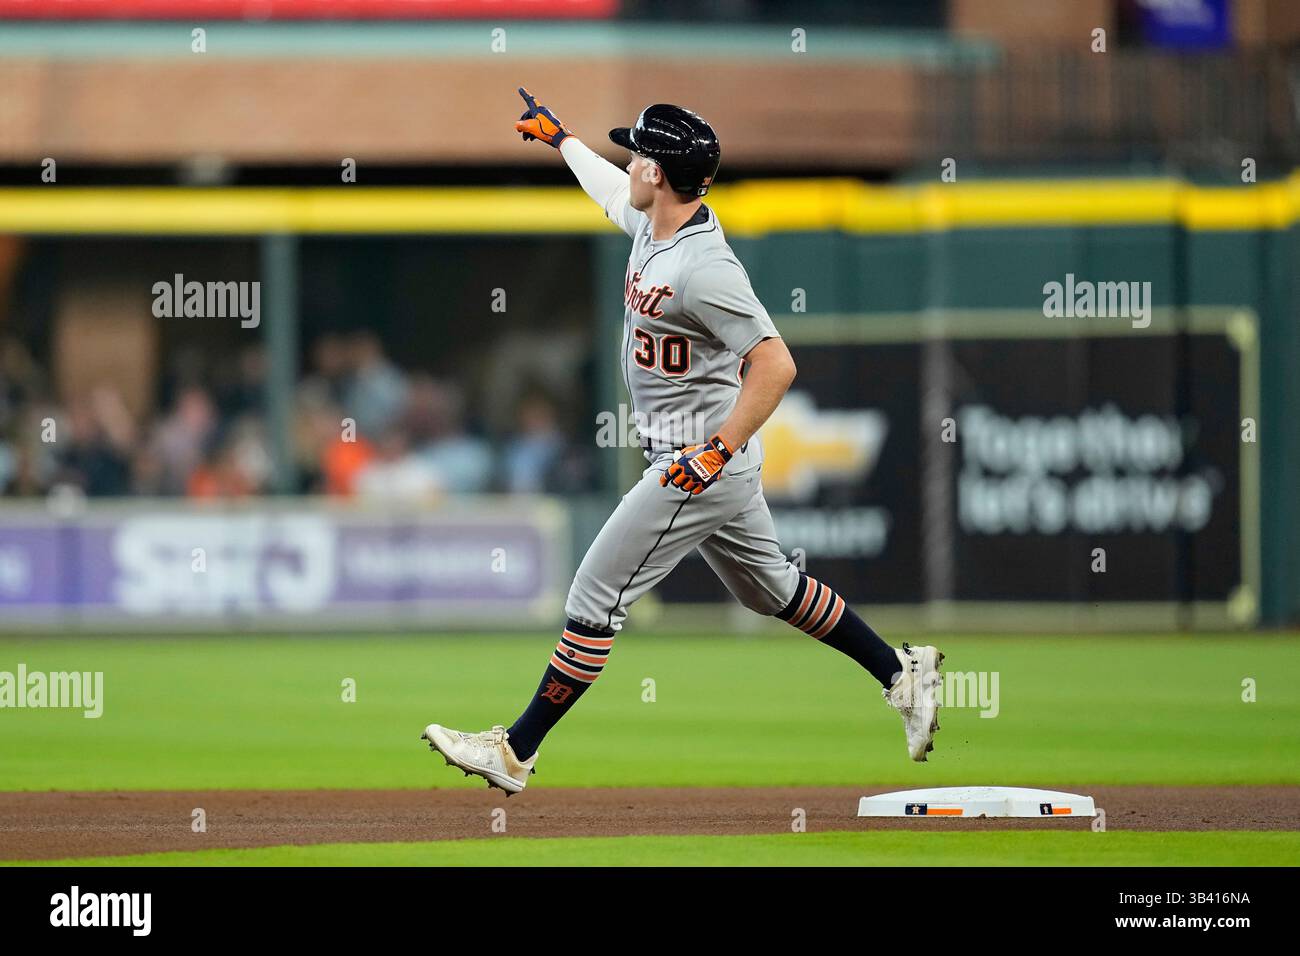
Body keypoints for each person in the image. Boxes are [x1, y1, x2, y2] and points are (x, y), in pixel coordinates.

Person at [421, 89, 944, 794]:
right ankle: (900, 674)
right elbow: (607, 187)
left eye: (638, 153)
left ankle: (514, 750)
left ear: (659, 175)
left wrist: (717, 451)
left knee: (594, 595)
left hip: (696, 463)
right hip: (703, 456)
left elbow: (777, 363)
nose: (629, 161)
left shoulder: (705, 265)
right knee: (774, 591)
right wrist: (561, 139)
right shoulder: (652, 225)